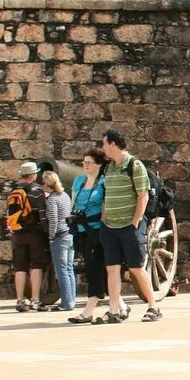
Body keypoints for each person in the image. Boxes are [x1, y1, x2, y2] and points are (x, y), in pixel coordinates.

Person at [99, 127, 161, 323]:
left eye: (104, 144)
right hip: (109, 226)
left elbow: (142, 195)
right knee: (112, 269)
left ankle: (153, 306)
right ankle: (114, 309)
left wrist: (135, 222)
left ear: (113, 144)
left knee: (136, 268)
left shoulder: (134, 165)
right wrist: (103, 217)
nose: (103, 148)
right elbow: (106, 194)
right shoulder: (108, 167)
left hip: (129, 225)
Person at [68, 148, 109, 324]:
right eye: (83, 162)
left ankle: (88, 310)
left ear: (98, 164)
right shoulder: (78, 181)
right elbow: (73, 201)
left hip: (97, 230)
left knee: (94, 269)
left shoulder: (104, 182)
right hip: (81, 230)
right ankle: (121, 305)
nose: (84, 165)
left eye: (89, 162)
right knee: (92, 267)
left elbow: (106, 207)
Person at [6, 160, 47, 311]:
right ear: (32, 175)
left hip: (17, 233)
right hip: (34, 232)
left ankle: (19, 300)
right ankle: (35, 300)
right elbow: (42, 214)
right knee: (36, 265)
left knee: (20, 267)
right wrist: (47, 231)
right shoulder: (37, 190)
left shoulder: (13, 191)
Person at [40, 170, 75, 312]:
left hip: (59, 236)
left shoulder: (52, 200)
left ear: (46, 184)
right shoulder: (65, 196)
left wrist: (51, 235)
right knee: (69, 269)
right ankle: (71, 299)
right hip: (69, 235)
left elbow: (53, 220)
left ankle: (66, 303)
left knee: (61, 271)